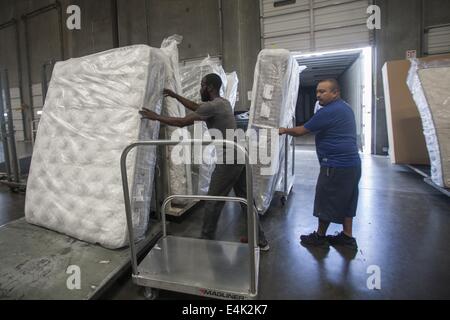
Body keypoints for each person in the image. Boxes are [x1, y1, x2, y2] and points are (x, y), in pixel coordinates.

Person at [140, 73, 269, 251]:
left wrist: (156, 117)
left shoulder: (213, 106)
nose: (200, 88)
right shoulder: (223, 103)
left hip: (229, 160)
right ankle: (260, 240)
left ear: (209, 87)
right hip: (240, 155)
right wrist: (176, 96)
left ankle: (205, 241)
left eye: (202, 85)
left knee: (212, 201)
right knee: (246, 201)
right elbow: (197, 107)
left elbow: (182, 122)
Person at [279, 79, 361, 250]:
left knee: (325, 199)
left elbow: (301, 131)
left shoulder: (329, 111)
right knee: (348, 200)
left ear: (335, 93)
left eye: (323, 92)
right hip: (352, 164)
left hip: (335, 165)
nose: (318, 95)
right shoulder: (345, 108)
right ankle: (347, 236)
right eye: (317, 91)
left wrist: (284, 130)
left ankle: (320, 236)